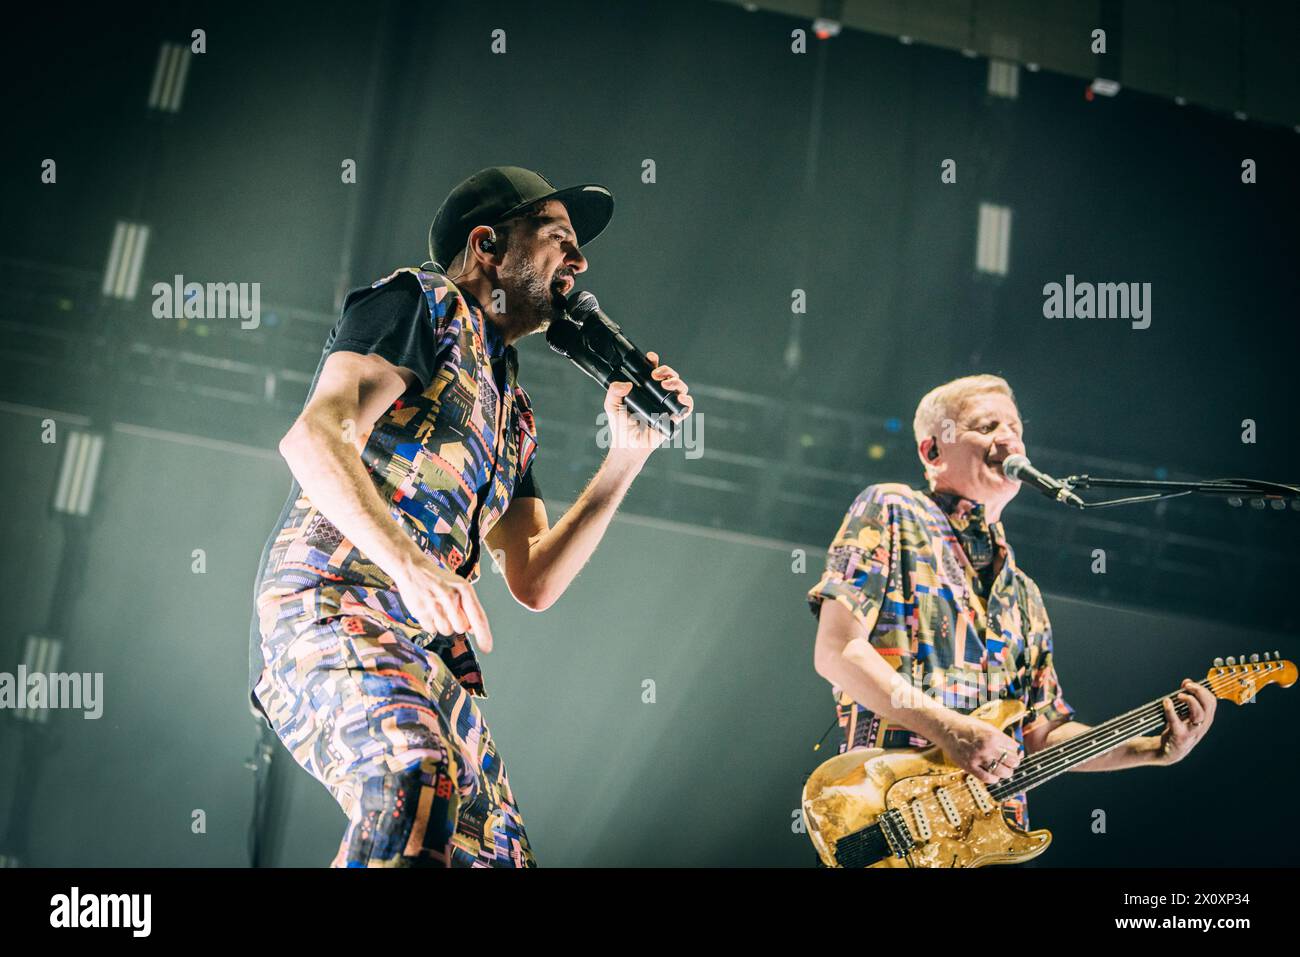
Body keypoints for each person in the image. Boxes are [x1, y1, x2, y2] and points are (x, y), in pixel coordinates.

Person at [248, 166, 692, 866]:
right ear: (488, 245)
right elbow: (314, 436)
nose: (578, 261)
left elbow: (534, 577)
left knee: (499, 853)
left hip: (419, 649)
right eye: (558, 239)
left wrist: (627, 456)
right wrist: (411, 563)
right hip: (329, 610)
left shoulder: (511, 412)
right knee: (411, 776)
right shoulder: (417, 303)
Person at [806, 374, 1215, 832]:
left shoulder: (1023, 595)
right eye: (986, 426)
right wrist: (951, 730)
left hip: (988, 836)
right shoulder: (893, 509)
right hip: (888, 819)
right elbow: (837, 651)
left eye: (1015, 429)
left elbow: (1041, 733)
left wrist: (1150, 750)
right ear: (932, 451)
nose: (1007, 438)